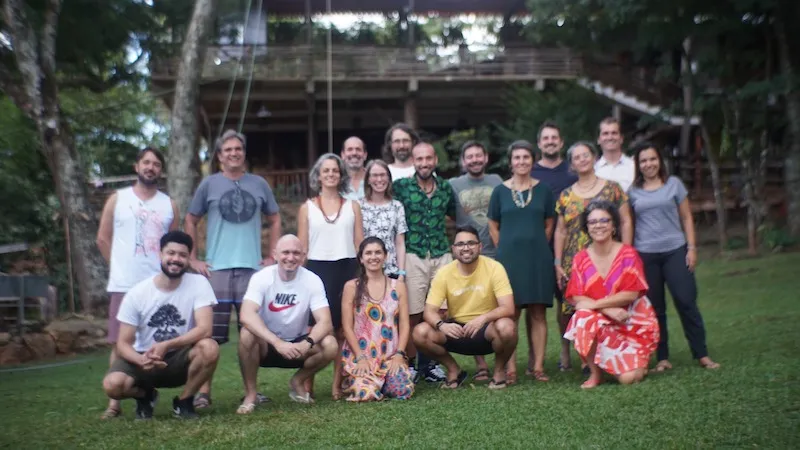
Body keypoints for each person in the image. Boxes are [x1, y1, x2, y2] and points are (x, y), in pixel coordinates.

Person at [184, 129, 281, 408]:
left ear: (244, 153)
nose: (233, 153)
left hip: (252, 270)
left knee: (250, 334)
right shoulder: (209, 185)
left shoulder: (259, 184)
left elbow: (274, 218)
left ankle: (251, 390)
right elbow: (190, 219)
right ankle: (203, 393)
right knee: (208, 334)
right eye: (228, 150)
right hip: (216, 271)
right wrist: (193, 258)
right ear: (219, 156)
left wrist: (271, 255)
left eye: (238, 149)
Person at [96, 147, 179, 419]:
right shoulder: (117, 199)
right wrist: (118, 267)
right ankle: (114, 404)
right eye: (146, 162)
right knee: (119, 341)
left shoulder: (169, 204)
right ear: (137, 166)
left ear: (161, 170)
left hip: (160, 285)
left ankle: (172, 390)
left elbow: (176, 242)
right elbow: (102, 238)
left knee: (165, 336)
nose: (151, 167)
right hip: (124, 284)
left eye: (156, 164)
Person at [101, 231, 220, 419]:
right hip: (143, 357)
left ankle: (184, 402)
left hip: (179, 357)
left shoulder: (199, 283)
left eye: (182, 255)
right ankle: (146, 395)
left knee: (209, 347)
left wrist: (167, 344)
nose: (176, 259)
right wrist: (141, 360)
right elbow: (123, 342)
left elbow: (205, 329)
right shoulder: (137, 293)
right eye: (171, 253)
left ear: (189, 259)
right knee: (112, 385)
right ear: (160, 254)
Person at [628, 142, 720, 372]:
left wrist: (692, 247)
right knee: (655, 308)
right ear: (638, 165)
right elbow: (630, 222)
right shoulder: (632, 191)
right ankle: (662, 358)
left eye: (652, 159)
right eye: (644, 161)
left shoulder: (674, 184)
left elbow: (687, 217)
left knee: (686, 301)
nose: (649, 164)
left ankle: (702, 354)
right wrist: (630, 256)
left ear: (660, 161)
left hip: (675, 250)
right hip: (646, 254)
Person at [554, 141, 633, 372]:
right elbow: (560, 230)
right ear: (572, 164)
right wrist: (558, 262)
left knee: (609, 301)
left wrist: (626, 253)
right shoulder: (566, 196)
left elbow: (626, 220)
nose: (582, 160)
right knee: (573, 309)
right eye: (576, 157)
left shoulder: (612, 188)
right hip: (574, 260)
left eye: (585, 155)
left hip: (609, 257)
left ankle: (614, 352)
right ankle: (579, 355)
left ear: (594, 157)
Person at [236, 235, 339, 412]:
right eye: (286, 252)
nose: (290, 258)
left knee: (330, 344)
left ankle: (298, 381)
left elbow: (325, 321)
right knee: (246, 334)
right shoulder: (261, 278)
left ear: (303, 256)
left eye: (296, 253)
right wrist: (277, 342)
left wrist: (307, 343)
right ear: (275, 254)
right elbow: (246, 314)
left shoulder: (312, 280)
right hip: (267, 344)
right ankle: (251, 394)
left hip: (298, 345)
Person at [563, 201, 659, 389]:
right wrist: (607, 309)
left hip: (632, 321)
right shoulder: (580, 259)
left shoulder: (628, 254)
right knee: (582, 316)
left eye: (604, 220)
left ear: (614, 225)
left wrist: (596, 305)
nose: (598, 225)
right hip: (603, 319)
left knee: (628, 379)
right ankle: (595, 373)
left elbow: (631, 294)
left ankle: (632, 363)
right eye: (592, 222)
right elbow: (577, 297)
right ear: (586, 228)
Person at [411, 226, 517, 389]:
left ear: (480, 247)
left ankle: (499, 371)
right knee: (420, 333)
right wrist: (442, 325)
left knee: (507, 327)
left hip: (487, 330)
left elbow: (508, 308)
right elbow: (429, 311)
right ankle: (454, 370)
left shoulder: (494, 267)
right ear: (453, 249)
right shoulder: (444, 273)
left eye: (471, 243)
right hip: (456, 330)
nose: (465, 248)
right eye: (460, 244)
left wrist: (483, 319)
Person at [488, 140, 555, 383]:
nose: (521, 162)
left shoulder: (544, 190)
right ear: (511, 162)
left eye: (526, 157)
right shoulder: (500, 191)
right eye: (517, 158)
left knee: (538, 312)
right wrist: (505, 246)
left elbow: (549, 223)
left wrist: (535, 243)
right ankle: (511, 368)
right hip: (509, 260)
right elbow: (493, 223)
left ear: (533, 160)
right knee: (511, 313)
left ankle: (537, 367)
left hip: (538, 258)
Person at [298, 153, 363, 399]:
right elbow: (302, 247)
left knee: (343, 331)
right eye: (326, 171)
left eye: (335, 170)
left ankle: (337, 385)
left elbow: (359, 244)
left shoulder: (352, 206)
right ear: (318, 175)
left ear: (341, 174)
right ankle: (307, 386)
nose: (331, 174)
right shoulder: (307, 207)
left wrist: (362, 276)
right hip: (316, 271)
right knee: (316, 330)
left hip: (346, 269)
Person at [393, 141, 455, 383]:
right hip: (414, 253)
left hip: (441, 253)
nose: (424, 163)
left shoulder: (446, 188)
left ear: (435, 161)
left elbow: (454, 214)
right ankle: (410, 363)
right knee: (413, 313)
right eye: (419, 159)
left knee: (440, 310)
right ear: (413, 162)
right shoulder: (402, 188)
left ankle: (430, 365)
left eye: (428, 158)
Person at [449, 140, 503, 381]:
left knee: (497, 305)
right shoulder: (453, 185)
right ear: (463, 161)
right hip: (467, 252)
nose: (474, 160)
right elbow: (449, 213)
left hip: (494, 251)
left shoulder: (497, 182)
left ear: (486, 158)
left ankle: (506, 362)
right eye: (469, 156)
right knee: (470, 303)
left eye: (478, 156)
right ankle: (480, 363)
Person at [340, 237, 414, 402]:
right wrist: (360, 358)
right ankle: (364, 382)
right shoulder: (351, 286)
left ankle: (383, 383)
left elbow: (404, 324)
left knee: (403, 391)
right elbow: (347, 327)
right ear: (361, 258)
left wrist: (400, 354)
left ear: (385, 256)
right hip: (361, 356)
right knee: (365, 394)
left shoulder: (398, 286)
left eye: (378, 252)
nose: (373, 257)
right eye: (368, 253)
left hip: (389, 356)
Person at [530, 121, 578, 372]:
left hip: (569, 248)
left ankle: (566, 351)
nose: (550, 141)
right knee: (535, 304)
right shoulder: (531, 173)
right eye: (545, 138)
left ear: (561, 142)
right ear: (539, 143)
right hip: (537, 249)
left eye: (554, 138)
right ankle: (533, 356)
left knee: (566, 304)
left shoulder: (572, 172)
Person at [358, 159, 407, 278]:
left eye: (382, 175)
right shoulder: (358, 206)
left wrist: (401, 273)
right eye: (374, 175)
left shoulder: (397, 206)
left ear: (389, 178)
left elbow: (400, 243)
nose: (379, 179)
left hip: (391, 270)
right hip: (366, 270)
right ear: (368, 179)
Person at [595, 117, 635, 192]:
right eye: (605, 133)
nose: (610, 137)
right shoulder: (593, 170)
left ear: (621, 138)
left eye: (614, 133)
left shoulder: (634, 167)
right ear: (598, 140)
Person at [341, 136, 367, 201]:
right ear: (343, 155)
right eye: (350, 149)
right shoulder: (336, 182)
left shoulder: (375, 180)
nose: (354, 153)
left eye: (358, 149)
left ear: (365, 155)